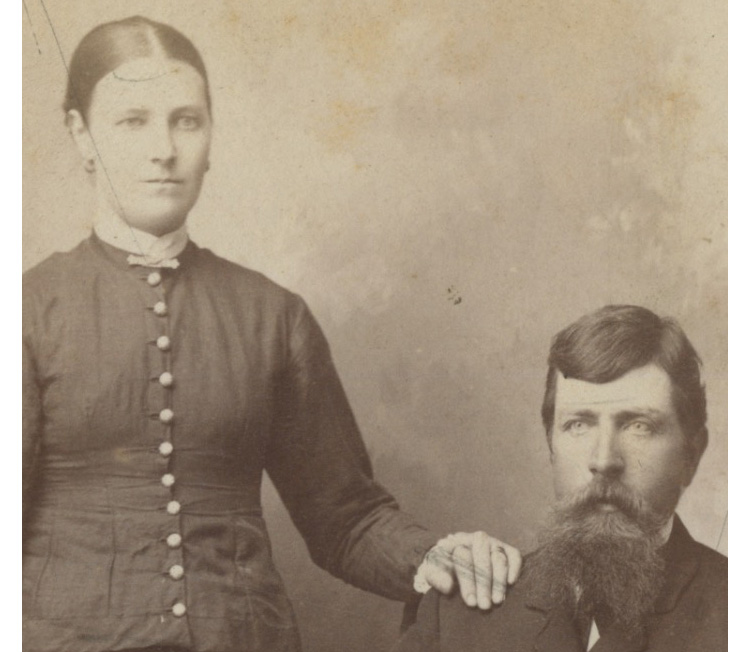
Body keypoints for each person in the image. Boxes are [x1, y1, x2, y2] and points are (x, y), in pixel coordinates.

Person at [22, 16, 522, 652]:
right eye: (132, 121)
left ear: (210, 136)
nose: (163, 149)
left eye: (186, 120)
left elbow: (346, 518)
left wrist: (436, 555)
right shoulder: (28, 310)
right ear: (81, 135)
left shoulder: (272, 316)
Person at [396, 305, 727, 651]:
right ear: (550, 445)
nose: (603, 460)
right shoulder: (461, 614)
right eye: (578, 425)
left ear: (691, 453)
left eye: (639, 426)